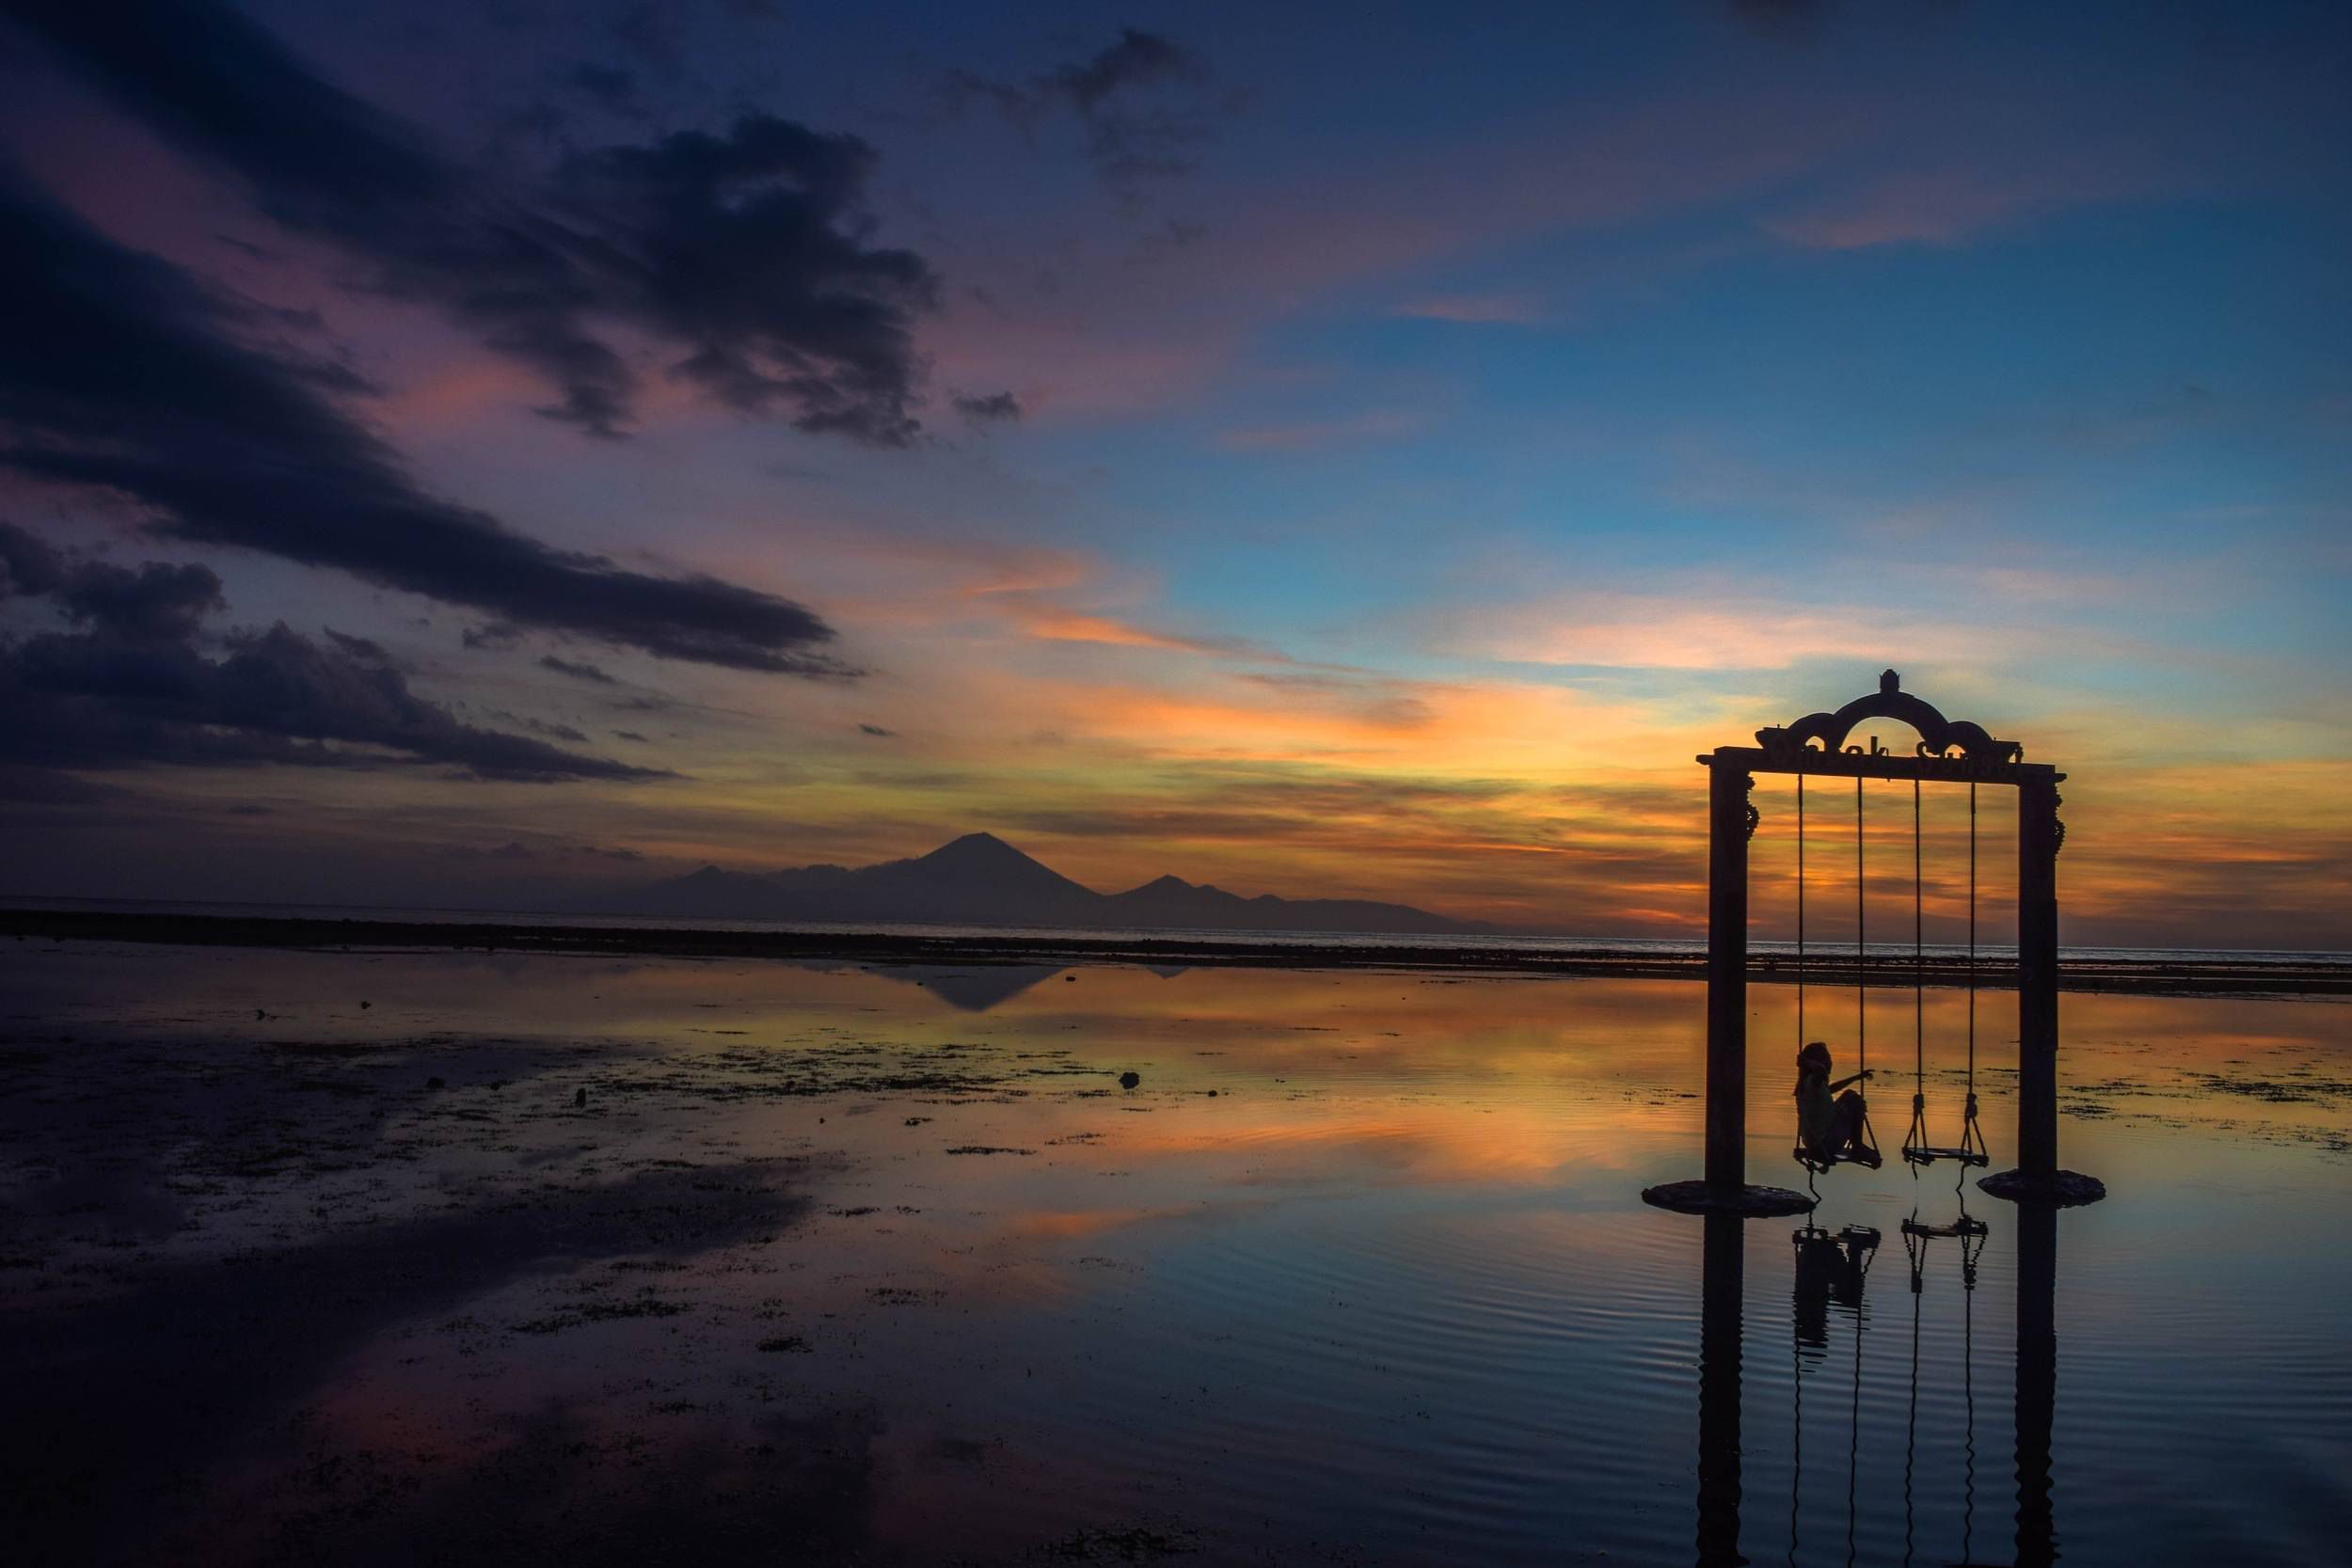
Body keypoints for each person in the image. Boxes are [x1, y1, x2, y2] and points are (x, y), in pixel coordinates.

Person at [1795, 1040, 1879, 1167]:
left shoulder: (1810, 1084)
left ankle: (1858, 1146)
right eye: (1827, 1058)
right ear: (1817, 1062)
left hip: (1816, 1142)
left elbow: (1830, 1089)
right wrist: (1805, 1061)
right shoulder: (1813, 1080)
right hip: (1826, 1142)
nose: (1830, 1062)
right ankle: (1857, 1147)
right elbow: (1820, 1071)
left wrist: (1857, 1077)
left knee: (1849, 1097)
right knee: (1852, 1098)